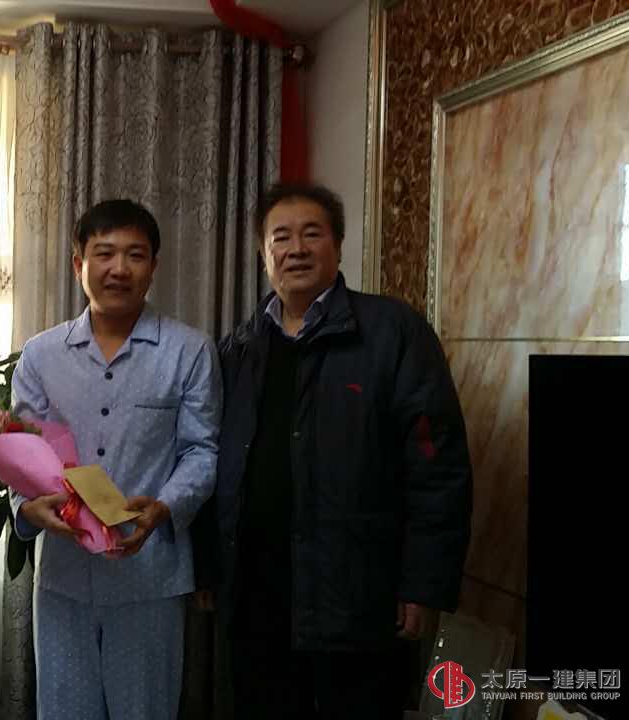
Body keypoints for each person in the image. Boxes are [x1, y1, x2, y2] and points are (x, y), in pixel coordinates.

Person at [195, 183, 473, 719]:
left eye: (312, 234)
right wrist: (208, 566)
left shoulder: (392, 332)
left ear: (338, 245)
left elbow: (437, 468)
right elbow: (210, 464)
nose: (296, 249)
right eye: (281, 237)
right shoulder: (237, 349)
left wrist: (424, 584)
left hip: (358, 597)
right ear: (263, 254)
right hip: (255, 597)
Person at [11, 199, 221, 720]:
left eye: (135, 255)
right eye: (104, 253)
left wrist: (166, 505)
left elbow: (202, 450)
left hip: (150, 578)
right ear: (78, 264)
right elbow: (21, 453)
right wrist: (27, 507)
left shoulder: (190, 351)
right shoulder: (40, 355)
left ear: (154, 266)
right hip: (64, 579)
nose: (119, 269)